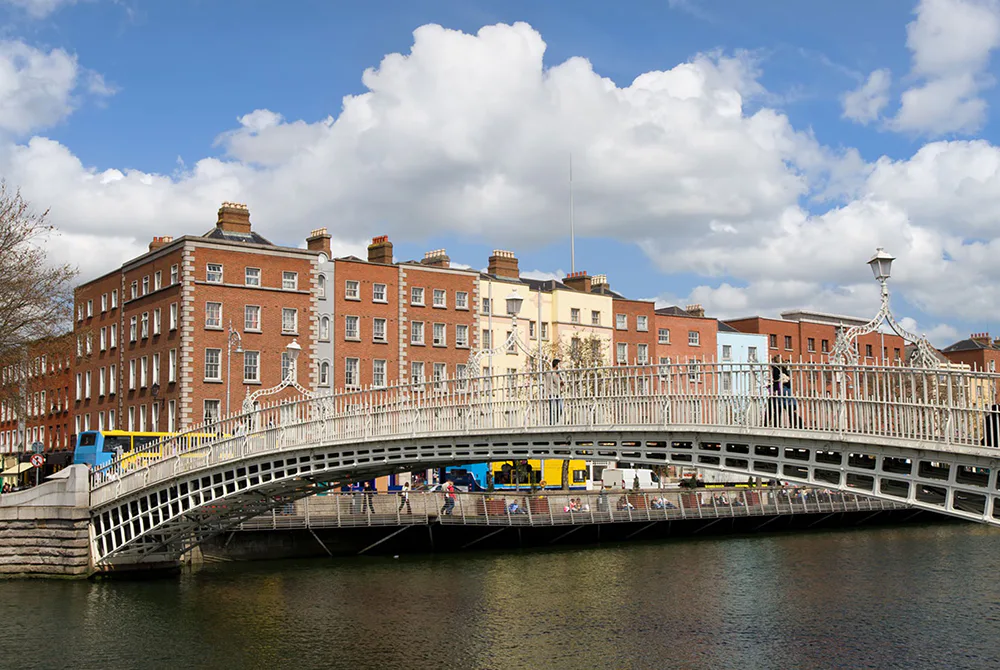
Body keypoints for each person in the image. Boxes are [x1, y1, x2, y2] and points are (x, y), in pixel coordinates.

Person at [545, 358, 564, 425]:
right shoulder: (550, 373)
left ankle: (556, 421)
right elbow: (547, 384)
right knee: (552, 410)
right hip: (552, 393)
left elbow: (561, 383)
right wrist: (546, 395)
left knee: (561, 408)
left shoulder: (558, 373)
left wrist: (561, 382)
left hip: (558, 393)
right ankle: (551, 423)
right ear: (556, 365)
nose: (560, 366)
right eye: (559, 364)